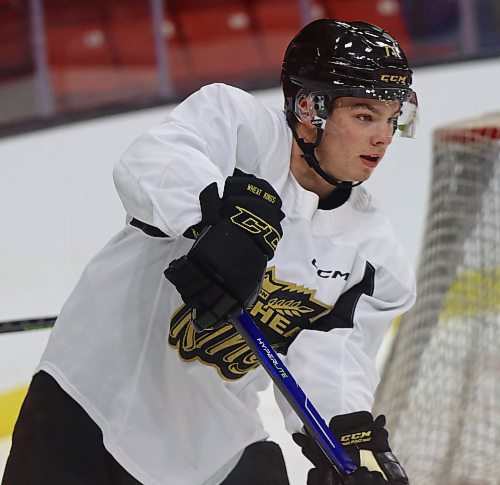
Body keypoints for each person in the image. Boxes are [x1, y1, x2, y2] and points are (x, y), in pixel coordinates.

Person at [3, 18, 418, 485]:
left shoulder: (375, 258)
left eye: (391, 117)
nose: (383, 136)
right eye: (365, 116)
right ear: (309, 107)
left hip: (212, 444)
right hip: (89, 400)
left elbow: (332, 351)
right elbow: (154, 161)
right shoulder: (238, 129)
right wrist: (215, 219)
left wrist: (343, 435)